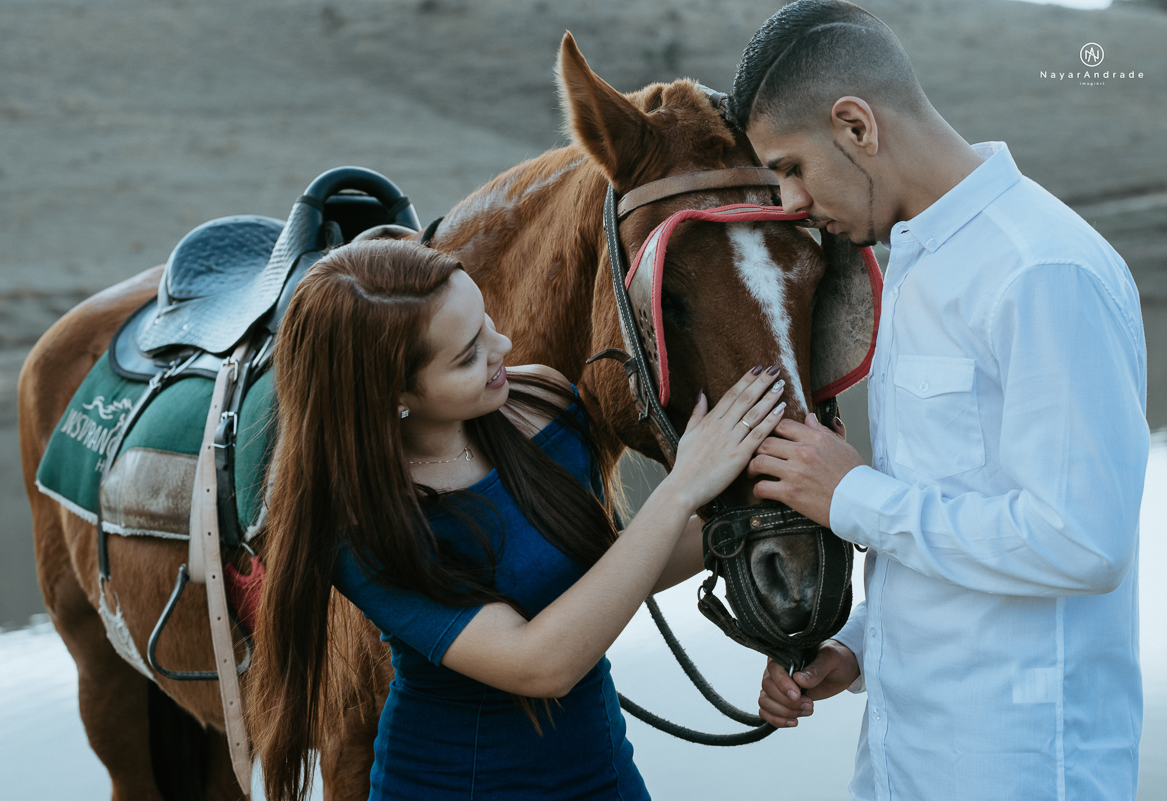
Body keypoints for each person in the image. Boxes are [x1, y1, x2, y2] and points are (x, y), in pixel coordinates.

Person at [728, 2, 1150, 799]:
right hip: (901, 760)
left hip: (1020, 769)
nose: (788, 201)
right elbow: (954, 503)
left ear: (857, 126)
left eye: (792, 166)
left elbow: (1082, 541)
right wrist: (857, 645)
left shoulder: (1043, 269)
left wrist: (852, 496)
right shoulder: (915, 262)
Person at [249, 238, 791, 800]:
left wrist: (766, 509)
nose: (501, 346)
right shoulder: (361, 523)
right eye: (467, 356)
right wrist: (681, 489)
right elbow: (540, 665)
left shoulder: (541, 403)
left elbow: (610, 574)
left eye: (485, 322)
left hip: (604, 774)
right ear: (391, 395)